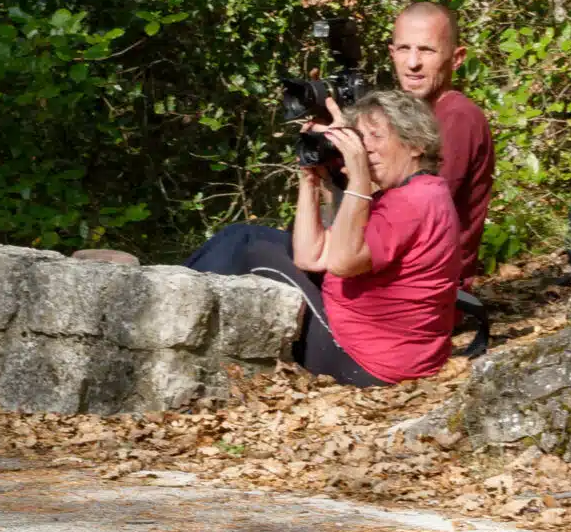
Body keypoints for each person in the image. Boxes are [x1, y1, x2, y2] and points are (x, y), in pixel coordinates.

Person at [187, 89, 462, 385]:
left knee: (244, 243)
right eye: (360, 138)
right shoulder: (421, 192)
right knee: (248, 236)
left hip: (366, 362)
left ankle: (169, 301)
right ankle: (169, 289)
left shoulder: (410, 203)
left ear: (415, 145)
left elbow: (343, 262)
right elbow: (311, 256)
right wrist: (310, 179)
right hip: (390, 356)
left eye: (376, 137)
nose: (364, 149)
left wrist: (357, 179)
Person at [387, 0, 494, 280]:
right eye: (404, 49)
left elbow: (420, 213)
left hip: (427, 290)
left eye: (426, 50)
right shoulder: (407, 116)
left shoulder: (458, 117)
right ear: (392, 53)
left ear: (457, 58)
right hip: (391, 274)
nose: (412, 63)